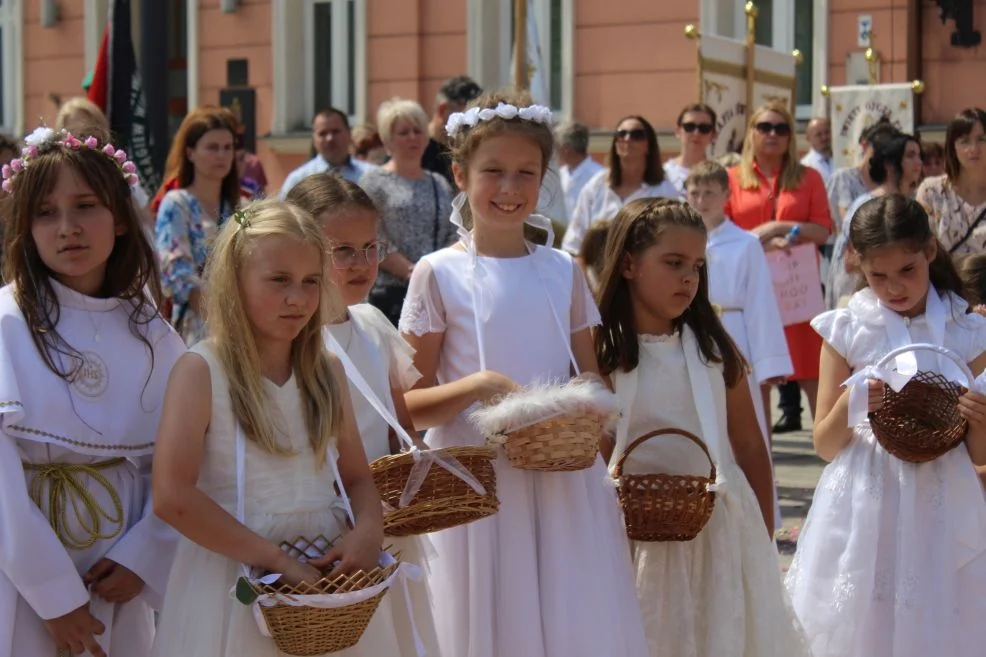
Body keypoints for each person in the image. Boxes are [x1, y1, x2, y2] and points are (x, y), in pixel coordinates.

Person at [398, 89, 648, 657]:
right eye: (493, 171)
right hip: (476, 484)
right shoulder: (437, 274)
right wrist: (483, 388)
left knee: (566, 619)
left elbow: (593, 381)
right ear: (460, 174)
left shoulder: (562, 271)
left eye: (525, 173)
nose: (509, 188)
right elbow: (409, 405)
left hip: (561, 478)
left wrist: (580, 420)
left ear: (543, 178)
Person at [151, 199, 402, 656]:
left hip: (325, 577)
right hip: (234, 574)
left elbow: (357, 477)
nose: (298, 298)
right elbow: (172, 496)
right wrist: (275, 561)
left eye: (310, 282)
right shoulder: (201, 371)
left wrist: (368, 528)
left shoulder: (327, 370)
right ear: (235, 281)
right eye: (279, 281)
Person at [596, 197, 809, 657]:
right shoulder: (603, 350)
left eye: (696, 265)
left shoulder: (713, 348)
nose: (689, 278)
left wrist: (762, 532)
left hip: (717, 533)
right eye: (673, 263)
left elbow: (750, 444)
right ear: (629, 264)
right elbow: (596, 445)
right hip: (631, 536)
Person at [0, 127, 185, 657]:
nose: (67, 229)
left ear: (121, 218)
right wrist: (53, 596)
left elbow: (182, 463)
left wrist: (145, 555)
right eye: (45, 213)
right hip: (21, 574)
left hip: (117, 568)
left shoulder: (151, 333)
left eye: (85, 206)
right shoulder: (8, 322)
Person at [785, 194, 986, 657]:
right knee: (863, 619)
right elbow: (824, 442)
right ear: (858, 265)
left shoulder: (967, 330)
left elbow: (979, 453)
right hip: (865, 494)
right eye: (879, 276)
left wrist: (979, 418)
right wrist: (851, 405)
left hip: (942, 495)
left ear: (930, 253)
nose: (894, 288)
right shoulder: (850, 328)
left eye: (907, 271)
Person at [285, 173, 441, 657]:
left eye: (371, 248)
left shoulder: (373, 323)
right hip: (328, 531)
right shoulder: (292, 343)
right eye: (343, 251)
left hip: (386, 523)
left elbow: (402, 429)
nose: (363, 265)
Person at [686, 160, 792, 531]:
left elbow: (761, 301)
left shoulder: (745, 243)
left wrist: (769, 361)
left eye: (709, 193)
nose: (701, 201)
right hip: (690, 330)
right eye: (694, 192)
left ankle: (755, 515)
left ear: (726, 196)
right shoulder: (682, 239)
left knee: (744, 427)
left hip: (733, 330)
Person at [724, 102, 832, 434]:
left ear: (790, 136)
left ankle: (831, 454)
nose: (772, 134)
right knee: (754, 375)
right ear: (752, 134)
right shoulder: (731, 179)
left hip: (797, 290)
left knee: (813, 372)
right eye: (765, 127)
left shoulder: (810, 177)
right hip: (751, 291)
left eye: (781, 128)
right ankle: (760, 460)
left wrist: (780, 226)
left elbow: (822, 230)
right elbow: (722, 233)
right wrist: (764, 240)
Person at [361, 98, 455, 326]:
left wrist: (436, 272)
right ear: (387, 140)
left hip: (438, 290)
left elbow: (454, 231)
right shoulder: (373, 182)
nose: (413, 137)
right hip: (392, 294)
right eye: (404, 132)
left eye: (418, 130)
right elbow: (371, 236)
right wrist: (412, 273)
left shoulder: (439, 183)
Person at [155, 107, 242, 345]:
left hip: (243, 325)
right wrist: (221, 320)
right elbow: (176, 274)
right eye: (212, 147)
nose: (222, 155)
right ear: (191, 152)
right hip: (196, 330)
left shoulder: (241, 208)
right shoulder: (176, 204)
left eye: (228, 147)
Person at [827, 130, 924, 309]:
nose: (918, 163)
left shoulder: (912, 203)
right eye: (910, 156)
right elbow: (851, 262)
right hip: (861, 301)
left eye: (919, 155)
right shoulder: (867, 205)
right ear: (889, 164)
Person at [562, 115, 678, 255]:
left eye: (637, 135)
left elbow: (674, 243)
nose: (627, 139)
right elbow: (573, 243)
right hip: (596, 274)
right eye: (621, 134)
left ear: (649, 145)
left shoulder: (665, 190)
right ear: (615, 144)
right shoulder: (596, 186)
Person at [916, 108, 986, 258]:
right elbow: (919, 250)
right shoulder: (931, 192)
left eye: (982, 139)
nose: (974, 148)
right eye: (965, 141)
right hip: (946, 281)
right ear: (953, 147)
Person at [280, 107, 376, 196]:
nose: (330, 138)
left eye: (335, 132)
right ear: (314, 139)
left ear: (349, 133)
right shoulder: (299, 179)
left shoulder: (371, 175)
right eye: (323, 133)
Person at [422, 75, 483, 187]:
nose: (473, 125)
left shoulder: (469, 151)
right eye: (464, 118)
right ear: (442, 110)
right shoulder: (414, 149)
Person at [663, 103, 718, 197]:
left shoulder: (721, 176)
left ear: (714, 135)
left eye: (704, 128)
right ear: (677, 131)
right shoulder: (663, 175)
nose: (696, 133)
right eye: (689, 127)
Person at [555, 120, 604, 218]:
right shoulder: (559, 175)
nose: (554, 152)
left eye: (556, 147)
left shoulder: (600, 177)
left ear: (566, 149)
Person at [801, 117, 833, 185]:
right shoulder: (805, 166)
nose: (824, 137)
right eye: (819, 135)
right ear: (808, 138)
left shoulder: (841, 157)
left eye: (827, 132)